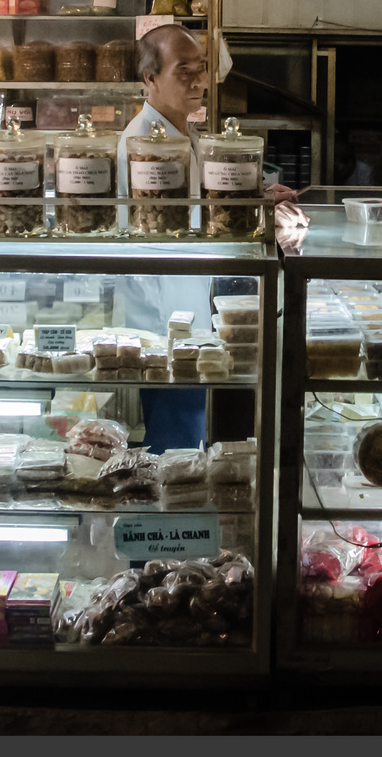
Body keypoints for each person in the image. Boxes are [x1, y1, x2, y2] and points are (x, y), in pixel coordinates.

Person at [113, 25, 303, 452]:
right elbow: (165, 224)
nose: (199, 81)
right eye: (185, 71)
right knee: (177, 436)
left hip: (191, 307)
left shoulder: (186, 134)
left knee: (192, 428)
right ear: (150, 78)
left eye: (201, 70)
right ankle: (171, 514)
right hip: (164, 315)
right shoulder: (142, 142)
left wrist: (253, 198)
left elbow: (201, 207)